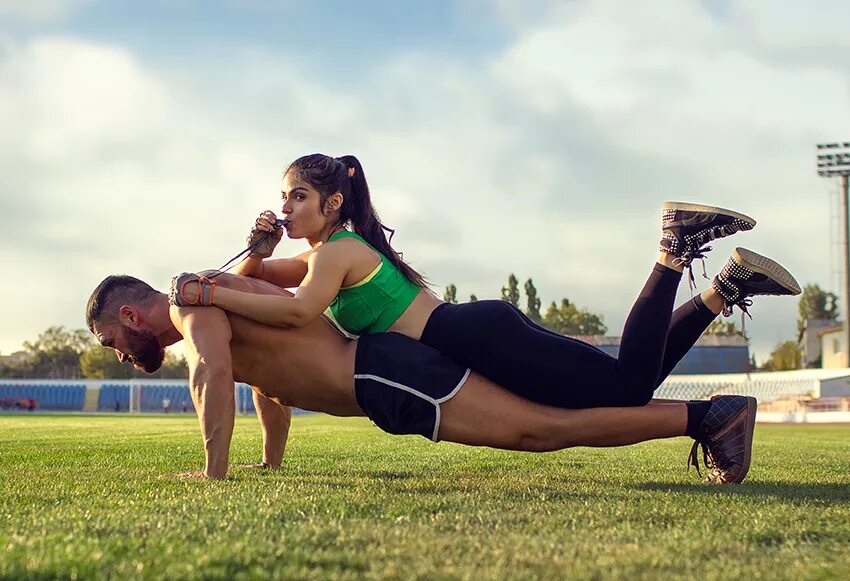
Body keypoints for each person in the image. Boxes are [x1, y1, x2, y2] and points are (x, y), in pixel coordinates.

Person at [171, 154, 800, 412]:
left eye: (298, 197)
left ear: (333, 202)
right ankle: (724, 288)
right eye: (282, 198)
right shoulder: (325, 255)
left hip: (476, 336)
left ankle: (672, 247)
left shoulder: (335, 254)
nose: (286, 209)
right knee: (624, 380)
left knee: (628, 385)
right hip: (478, 332)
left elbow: (295, 313)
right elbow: (261, 285)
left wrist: (207, 293)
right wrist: (255, 251)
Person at [89, 272, 756, 482]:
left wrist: (213, 472)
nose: (118, 352)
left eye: (111, 340)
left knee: (537, 429)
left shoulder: (192, 304)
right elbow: (268, 384)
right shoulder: (213, 305)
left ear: (128, 313)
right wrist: (270, 461)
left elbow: (214, 375)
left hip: (388, 376)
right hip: (388, 377)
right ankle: (713, 328)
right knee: (555, 410)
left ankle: (705, 417)